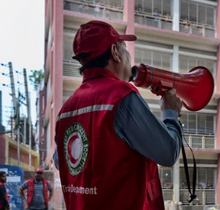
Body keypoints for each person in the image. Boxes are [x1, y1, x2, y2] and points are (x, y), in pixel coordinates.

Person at [54, 20, 182, 210]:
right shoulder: (121, 96)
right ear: (115, 51)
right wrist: (170, 113)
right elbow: (168, 152)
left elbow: (60, 162)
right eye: (125, 48)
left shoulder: (66, 111)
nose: (130, 56)